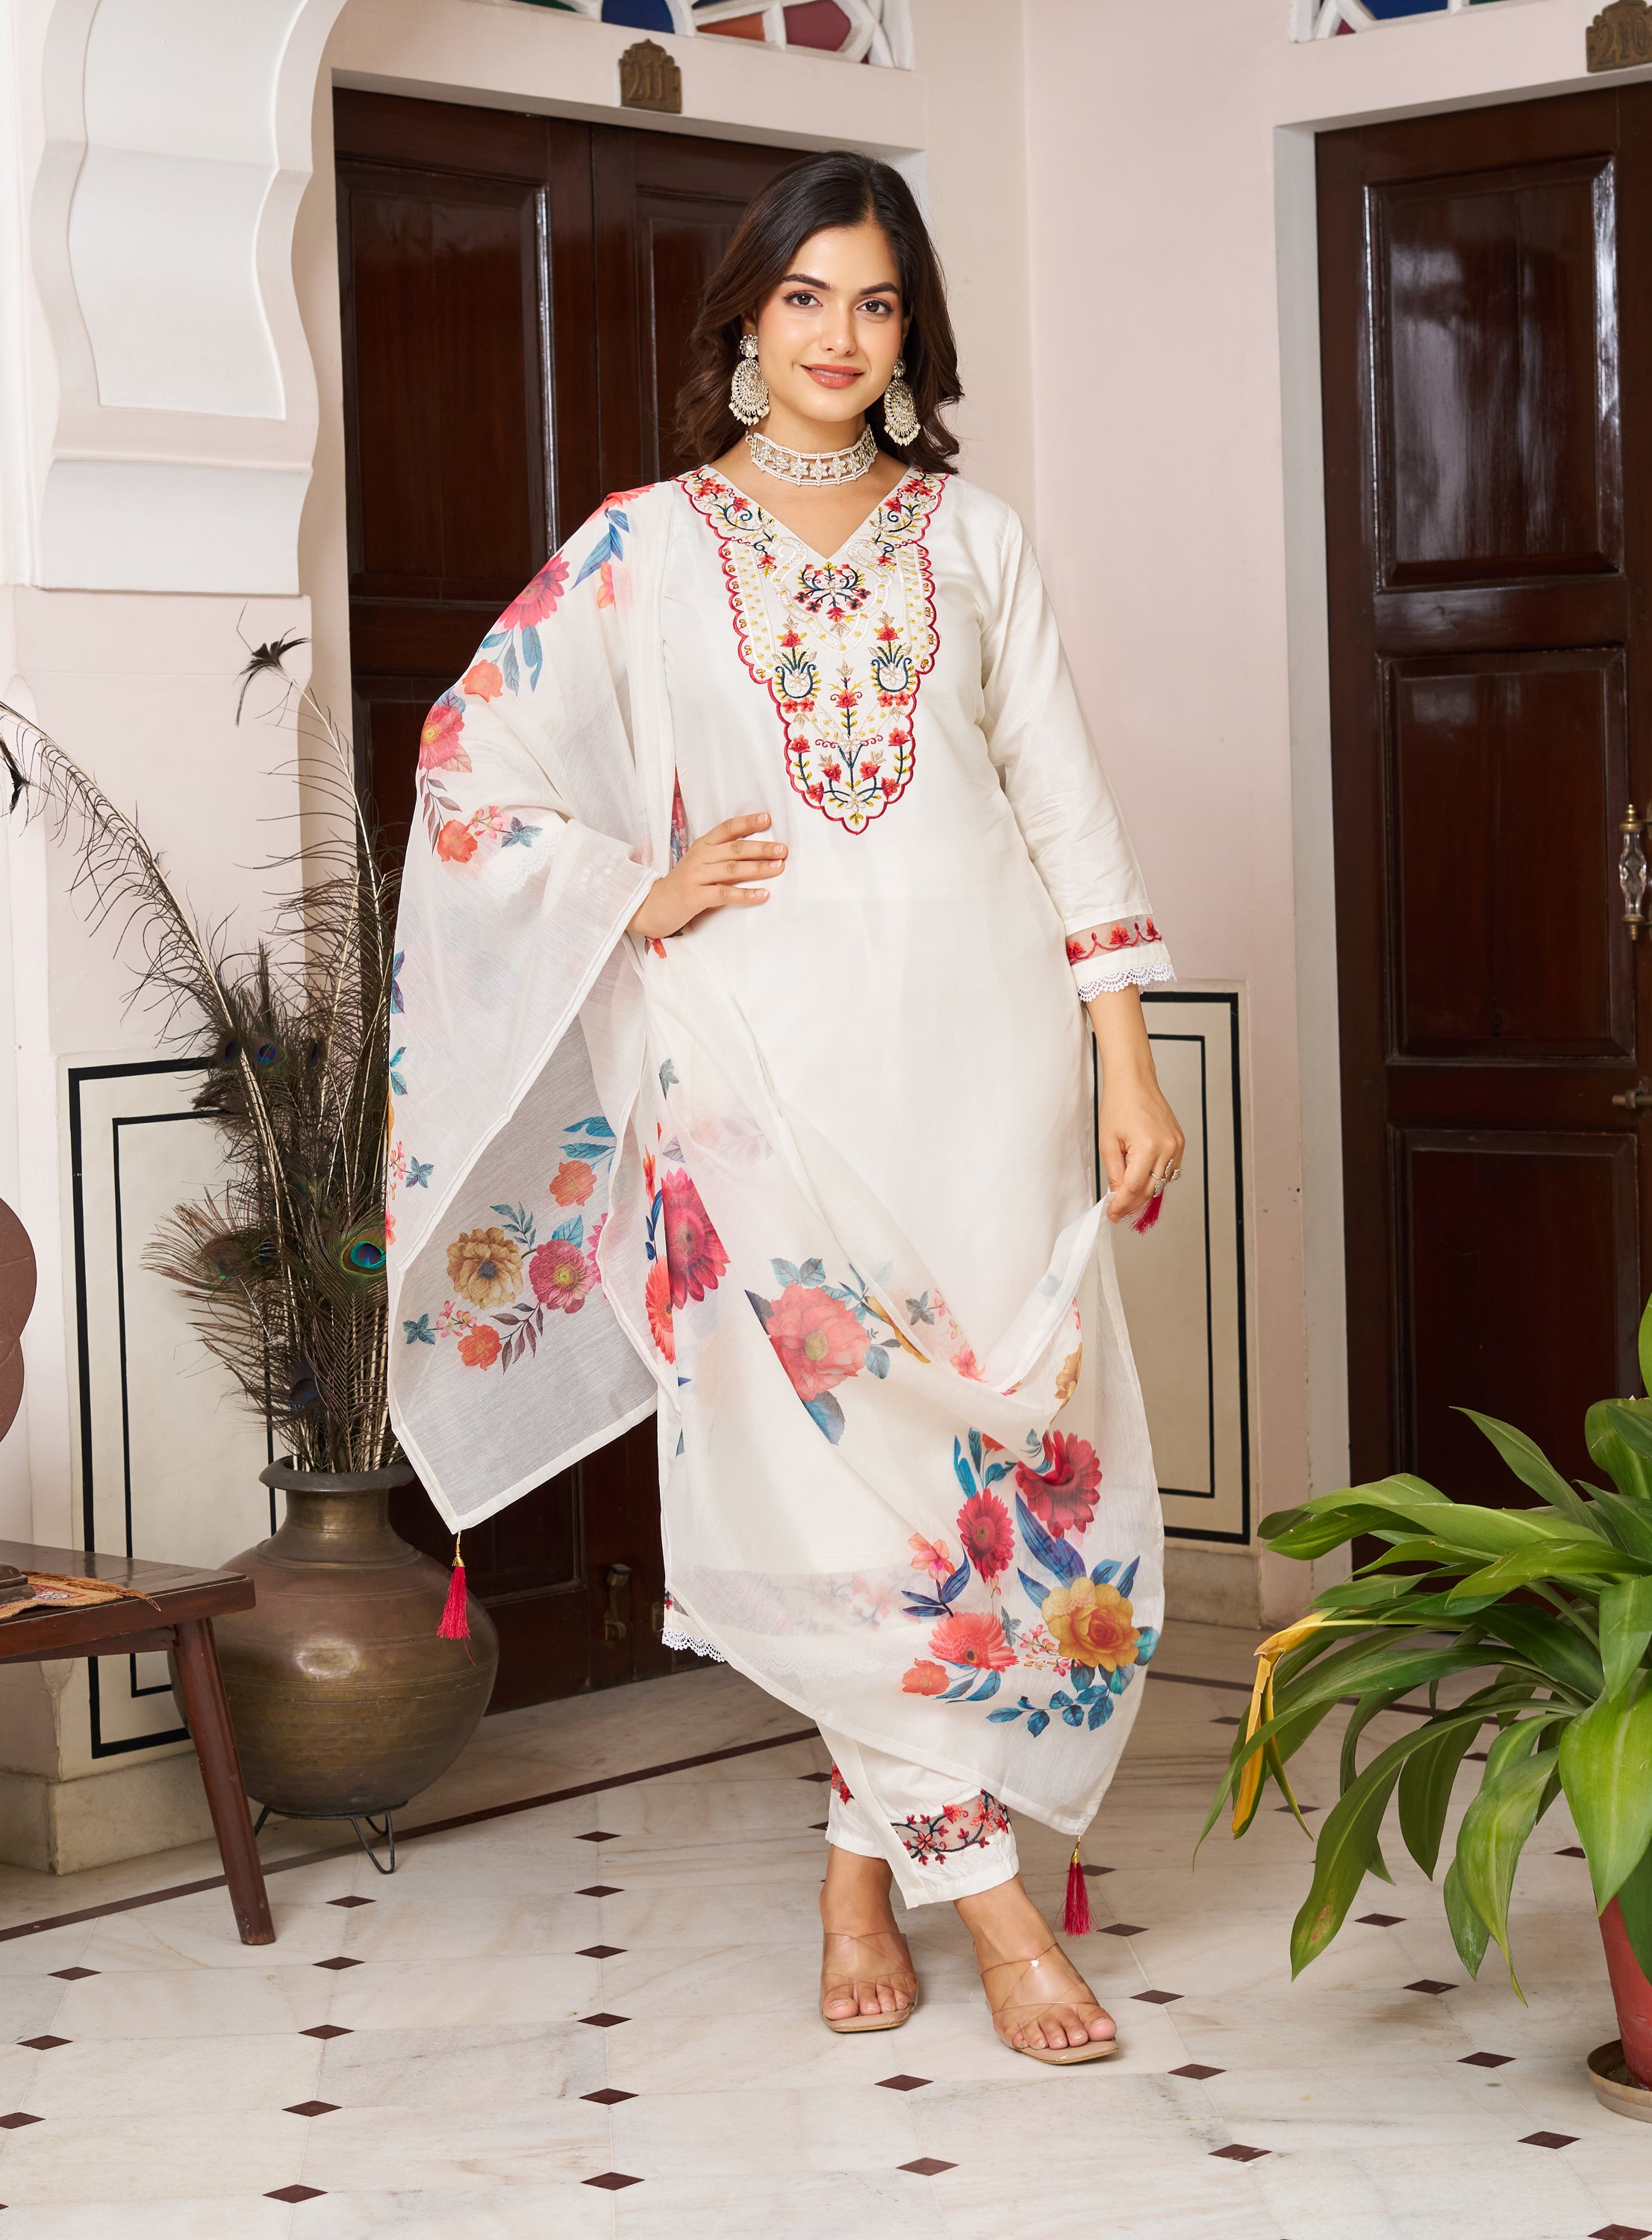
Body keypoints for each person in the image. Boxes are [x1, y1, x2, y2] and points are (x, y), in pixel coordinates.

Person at [386, 152, 1183, 2066]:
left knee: (979, 1468)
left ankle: (855, 1865)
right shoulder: (643, 547)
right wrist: (620, 886)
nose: (843, 338)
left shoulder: (973, 538)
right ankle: (987, 1907)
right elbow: (464, 756)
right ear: (747, 319)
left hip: (986, 1059)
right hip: (752, 1066)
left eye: (879, 302)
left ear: (915, 329)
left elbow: (1060, 799)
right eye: (808, 297)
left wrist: (1126, 1051)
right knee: (824, 1470)